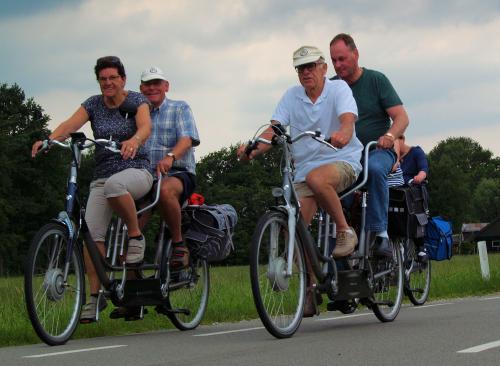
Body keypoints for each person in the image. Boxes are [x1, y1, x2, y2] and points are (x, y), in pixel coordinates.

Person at [238, 45, 363, 316]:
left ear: (323, 68)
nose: (306, 72)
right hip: (305, 169)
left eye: (311, 66)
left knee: (318, 180)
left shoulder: (338, 90)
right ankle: (311, 288)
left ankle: (345, 231)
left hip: (343, 160)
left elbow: (347, 120)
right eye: (301, 68)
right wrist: (252, 150)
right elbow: (275, 129)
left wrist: (343, 132)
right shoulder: (292, 96)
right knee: (293, 227)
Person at [31, 56, 153, 323]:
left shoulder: (136, 102)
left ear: (123, 79)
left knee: (114, 185)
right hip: (102, 177)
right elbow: (69, 125)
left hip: (137, 171)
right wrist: (49, 140)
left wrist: (134, 139)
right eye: (103, 79)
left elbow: (145, 126)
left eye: (113, 78)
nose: (108, 83)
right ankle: (95, 298)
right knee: (91, 233)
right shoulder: (93, 104)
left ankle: (135, 237)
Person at [330, 33, 410, 257]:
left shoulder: (376, 80)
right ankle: (339, 234)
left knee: (375, 170)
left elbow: (402, 117)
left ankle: (381, 235)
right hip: (346, 155)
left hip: (377, 150)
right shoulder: (332, 86)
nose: (337, 65)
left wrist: (391, 136)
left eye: (342, 59)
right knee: (325, 180)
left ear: (356, 54)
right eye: (334, 60)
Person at [139, 66, 200, 270]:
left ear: (166, 86)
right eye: (148, 84)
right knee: (132, 223)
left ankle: (179, 244)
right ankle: (131, 270)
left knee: (164, 190)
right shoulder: (139, 113)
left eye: (157, 83)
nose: (152, 88)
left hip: (178, 172)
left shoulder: (179, 108)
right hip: (146, 176)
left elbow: (187, 139)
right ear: (141, 88)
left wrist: (170, 157)